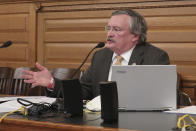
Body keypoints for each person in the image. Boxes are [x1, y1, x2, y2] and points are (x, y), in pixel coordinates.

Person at [22, 9, 169, 100]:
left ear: (135, 36)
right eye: (108, 28)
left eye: (117, 29)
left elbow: (165, 98)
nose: (110, 34)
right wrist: (52, 82)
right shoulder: (101, 56)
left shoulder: (155, 57)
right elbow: (83, 91)